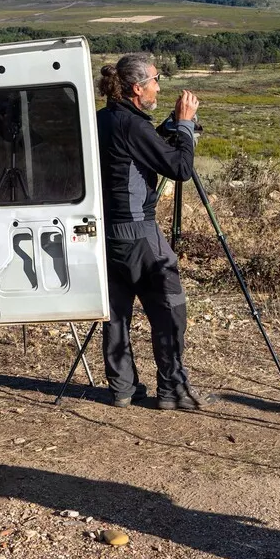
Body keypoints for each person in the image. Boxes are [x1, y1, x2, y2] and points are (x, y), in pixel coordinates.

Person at [95, 52, 208, 410]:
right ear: (136, 87)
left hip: (104, 233)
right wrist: (186, 125)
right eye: (156, 80)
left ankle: (123, 388)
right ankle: (173, 390)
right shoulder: (133, 125)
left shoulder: (102, 120)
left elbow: (135, 149)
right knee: (169, 310)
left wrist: (167, 126)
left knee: (116, 313)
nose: (159, 87)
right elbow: (179, 167)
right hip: (139, 235)